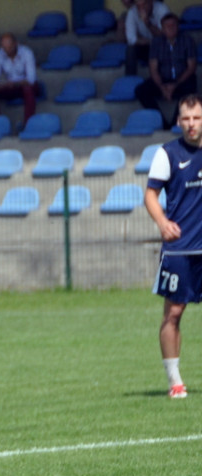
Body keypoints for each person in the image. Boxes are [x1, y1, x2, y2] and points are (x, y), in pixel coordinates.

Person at [144, 94, 202, 399]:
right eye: (186, 119)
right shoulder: (167, 153)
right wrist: (163, 222)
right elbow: (150, 195)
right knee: (174, 314)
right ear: (178, 121)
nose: (191, 124)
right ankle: (174, 380)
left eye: (196, 118)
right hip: (180, 250)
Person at [134, 12, 198, 129]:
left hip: (182, 80)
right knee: (141, 91)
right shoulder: (156, 43)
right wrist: (162, 87)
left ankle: (175, 123)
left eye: (173, 25)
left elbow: (191, 67)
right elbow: (153, 68)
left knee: (191, 87)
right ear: (162, 28)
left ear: (178, 26)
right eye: (167, 26)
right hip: (163, 79)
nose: (170, 28)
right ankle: (162, 122)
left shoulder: (187, 40)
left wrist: (175, 85)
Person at [0, 33, 44, 126]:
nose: (7, 50)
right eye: (4, 48)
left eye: (9, 47)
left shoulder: (27, 53)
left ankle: (28, 124)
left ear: (15, 44)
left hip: (24, 85)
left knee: (28, 90)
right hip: (8, 87)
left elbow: (31, 79)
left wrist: (15, 83)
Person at [125, 0, 171, 76]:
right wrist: (148, 41)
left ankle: (164, 78)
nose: (141, 8)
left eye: (144, 4)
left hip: (162, 47)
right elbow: (131, 39)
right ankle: (130, 80)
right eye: (138, 6)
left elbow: (165, 35)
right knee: (130, 50)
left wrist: (148, 23)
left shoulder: (162, 9)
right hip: (145, 46)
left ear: (151, 2)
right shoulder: (132, 12)